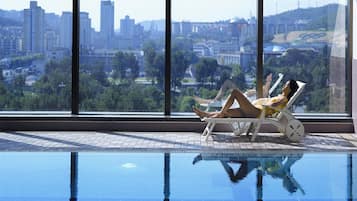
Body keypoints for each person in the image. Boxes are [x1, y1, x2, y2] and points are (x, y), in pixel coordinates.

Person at [193, 79, 299, 118]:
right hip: (253, 110)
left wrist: (266, 105)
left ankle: (210, 114)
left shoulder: (283, 99)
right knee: (226, 112)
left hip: (257, 111)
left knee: (235, 93)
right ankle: (205, 114)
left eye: (286, 85)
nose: (284, 86)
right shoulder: (280, 96)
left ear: (289, 89)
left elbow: (273, 106)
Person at [194, 73, 273, 106]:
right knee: (227, 82)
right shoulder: (263, 89)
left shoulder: (265, 91)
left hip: (243, 99)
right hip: (244, 96)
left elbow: (264, 94)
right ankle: (212, 101)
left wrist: (268, 82)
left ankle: (211, 101)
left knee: (228, 83)